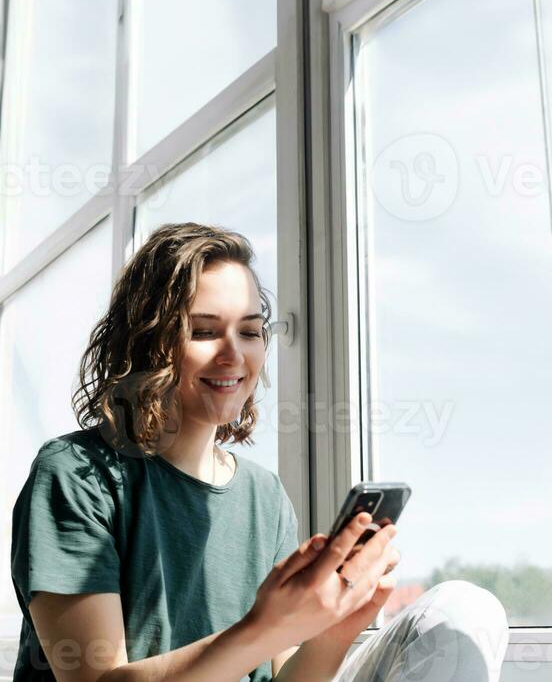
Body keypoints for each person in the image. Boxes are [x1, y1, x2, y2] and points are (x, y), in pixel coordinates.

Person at [10, 221, 509, 681]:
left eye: (250, 331)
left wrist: (335, 627)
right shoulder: (75, 474)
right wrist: (266, 627)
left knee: (464, 609)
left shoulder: (263, 494)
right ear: (148, 342)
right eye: (204, 331)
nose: (235, 354)